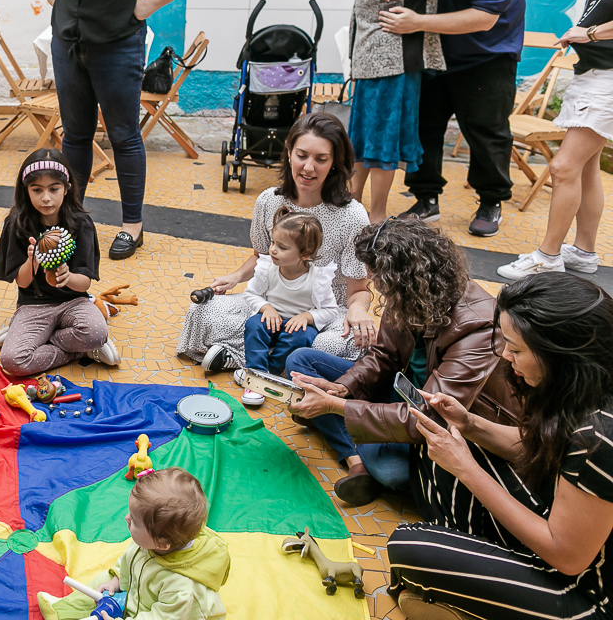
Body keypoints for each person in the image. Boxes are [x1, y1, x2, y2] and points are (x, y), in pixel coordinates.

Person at [21, 0, 210, 260]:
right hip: (68, 46)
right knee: (76, 136)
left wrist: (148, 5)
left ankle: (132, 227)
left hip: (117, 48)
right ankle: (70, 220)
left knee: (124, 136)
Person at [387, 272, 613, 620]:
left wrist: (465, 468)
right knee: (441, 441)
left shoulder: (598, 436)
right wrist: (469, 423)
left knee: (407, 544)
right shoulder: (581, 389)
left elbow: (566, 556)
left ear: (562, 354)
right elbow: (535, 447)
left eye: (517, 349)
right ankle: (471, 583)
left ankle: (465, 590)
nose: (506, 355)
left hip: (588, 595)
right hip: (558, 529)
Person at [286, 218, 519, 507]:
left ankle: (339, 433)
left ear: (404, 277)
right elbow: (383, 355)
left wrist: (335, 407)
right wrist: (343, 389)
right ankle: (355, 453)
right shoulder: (411, 294)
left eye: (378, 278)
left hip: (440, 419)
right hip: (402, 393)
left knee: (391, 473)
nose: (375, 285)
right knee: (301, 360)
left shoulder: (478, 326)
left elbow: (432, 416)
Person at [353, 0, 526, 237]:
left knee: (486, 130)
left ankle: (490, 200)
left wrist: (418, 22)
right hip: (429, 52)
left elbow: (484, 17)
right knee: (425, 126)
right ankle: (425, 198)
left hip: (484, 51)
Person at [176, 114, 376, 371]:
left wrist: (358, 310)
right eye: (302, 155)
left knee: (338, 344)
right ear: (289, 153)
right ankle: (275, 362)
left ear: (335, 162)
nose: (308, 167)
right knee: (203, 311)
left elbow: (358, 289)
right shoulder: (269, 200)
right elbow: (261, 257)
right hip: (273, 301)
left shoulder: (353, 215)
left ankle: (237, 357)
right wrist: (235, 277)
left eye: (321, 159)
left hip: (323, 311)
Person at [497, 0, 613, 279]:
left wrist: (589, 33)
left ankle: (547, 256)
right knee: (586, 168)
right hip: (591, 73)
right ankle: (584, 251)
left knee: (563, 167)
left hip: (608, 80)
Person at [37, 467, 231, 620]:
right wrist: (116, 580)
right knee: (102, 581)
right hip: (137, 595)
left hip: (167, 615)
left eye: (135, 522)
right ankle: (61, 610)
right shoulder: (153, 540)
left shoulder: (184, 590)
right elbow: (129, 560)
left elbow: (161, 617)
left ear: (162, 544)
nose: (126, 518)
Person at [0, 148, 116, 375]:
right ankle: (81, 351)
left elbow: (84, 283)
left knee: (96, 333)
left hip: (74, 302)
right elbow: (22, 282)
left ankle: (49, 340)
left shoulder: (81, 224)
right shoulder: (17, 224)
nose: (46, 197)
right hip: (34, 305)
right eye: (37, 190)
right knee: (12, 361)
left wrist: (68, 277)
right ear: (26, 190)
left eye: (54, 189)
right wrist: (32, 261)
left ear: (66, 188)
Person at [238, 208, 338, 408]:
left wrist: (307, 316)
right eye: (273, 243)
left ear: (305, 254)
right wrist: (266, 307)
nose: (273, 250)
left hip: (296, 325)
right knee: (253, 325)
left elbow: (331, 310)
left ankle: (269, 374)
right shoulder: (267, 268)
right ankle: (256, 376)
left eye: (282, 247)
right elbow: (250, 293)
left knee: (302, 337)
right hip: (270, 320)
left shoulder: (317, 278)